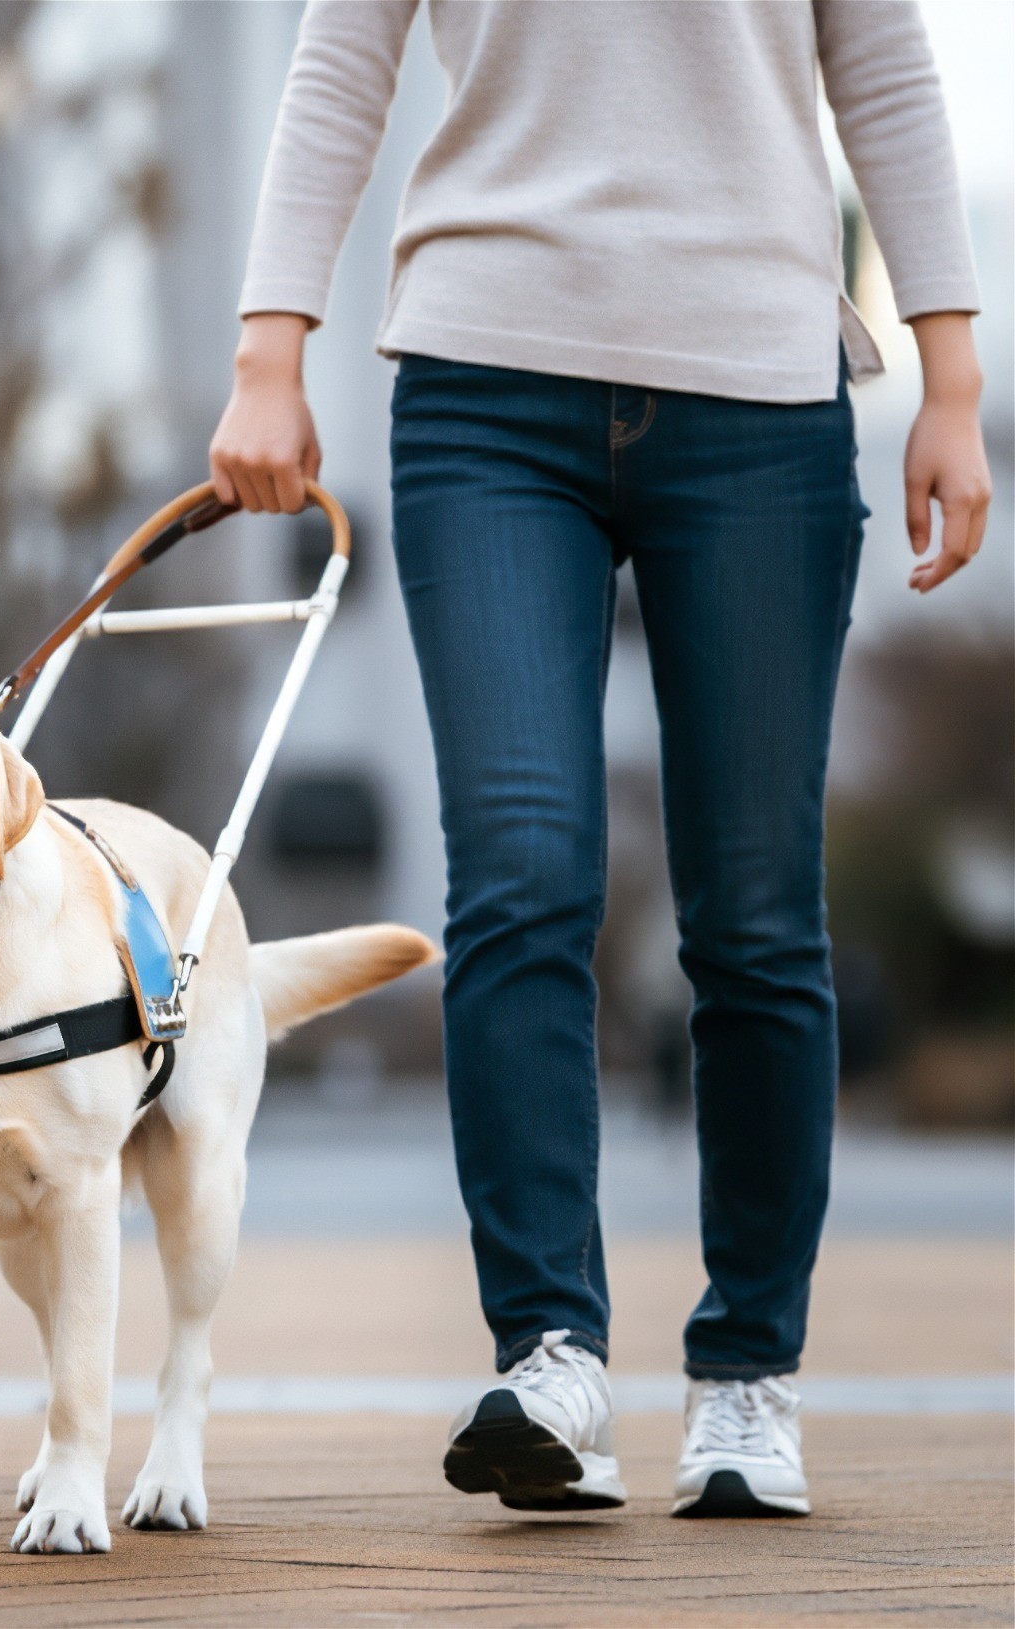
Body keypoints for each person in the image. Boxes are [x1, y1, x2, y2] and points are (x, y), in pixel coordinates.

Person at [211, 1, 990, 1518]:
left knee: (757, 916)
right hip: (484, 384)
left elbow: (883, 60)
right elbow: (341, 54)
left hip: (759, 396)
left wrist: (948, 383)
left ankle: (748, 1371)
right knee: (520, 874)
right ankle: (549, 1349)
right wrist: (268, 345)